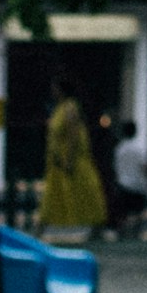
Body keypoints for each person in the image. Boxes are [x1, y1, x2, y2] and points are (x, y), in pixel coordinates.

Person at [37, 87, 108, 242]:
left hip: (71, 161)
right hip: (58, 162)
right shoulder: (60, 108)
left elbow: (73, 133)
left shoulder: (70, 107)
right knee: (53, 195)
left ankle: (97, 226)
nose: (53, 91)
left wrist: (69, 159)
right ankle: (41, 227)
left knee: (86, 191)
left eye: (55, 88)